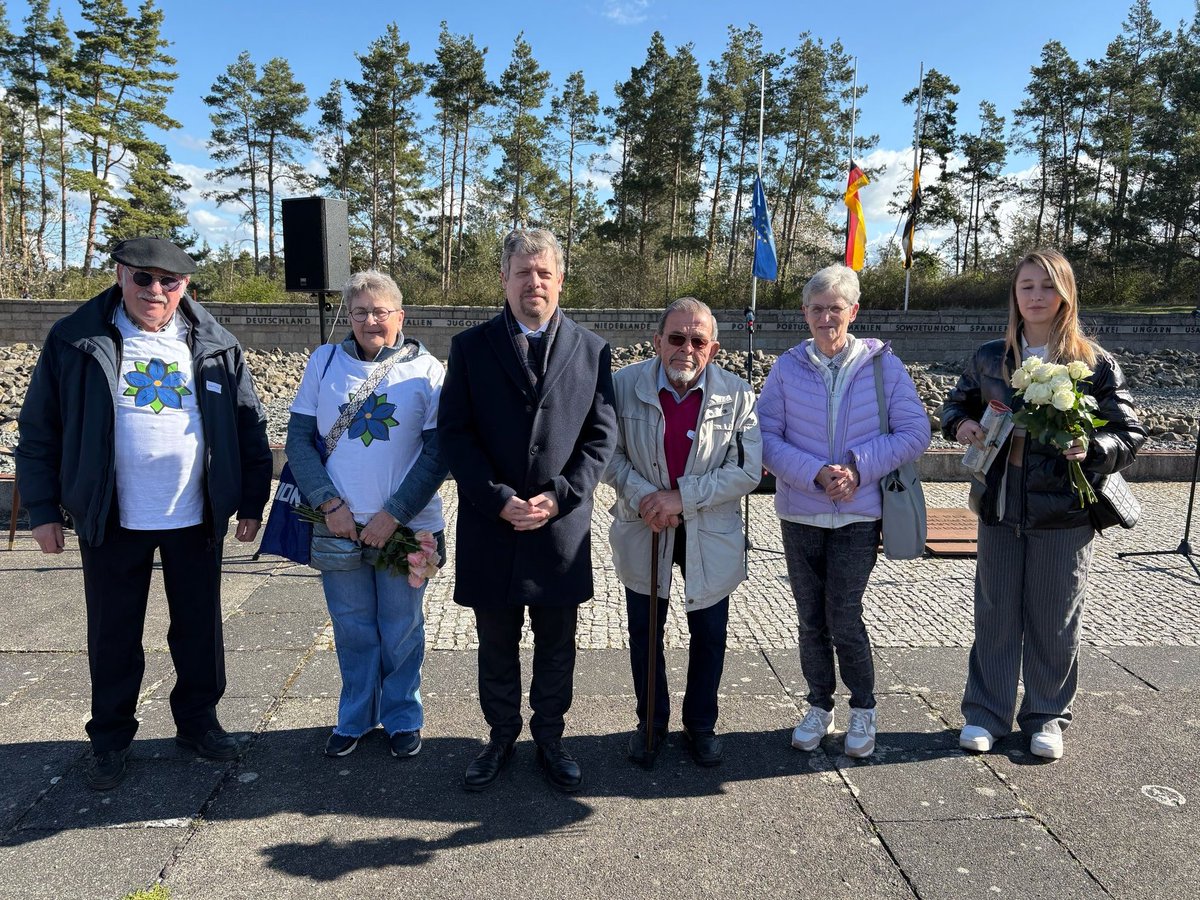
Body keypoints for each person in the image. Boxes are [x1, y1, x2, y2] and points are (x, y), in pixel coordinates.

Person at [16, 237, 272, 790]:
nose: (155, 290)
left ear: (186, 287)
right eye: (143, 278)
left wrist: (250, 501)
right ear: (119, 275)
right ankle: (109, 737)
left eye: (169, 281)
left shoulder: (216, 344)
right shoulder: (74, 341)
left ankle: (198, 723)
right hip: (112, 516)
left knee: (199, 630)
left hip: (194, 515)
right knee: (113, 633)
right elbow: (40, 429)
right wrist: (42, 509)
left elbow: (249, 428)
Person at [941, 249, 1145, 760]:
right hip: (1000, 505)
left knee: (1055, 618)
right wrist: (960, 425)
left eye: (1047, 287)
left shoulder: (1093, 362)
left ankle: (1046, 716)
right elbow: (954, 404)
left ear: (1065, 295)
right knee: (995, 613)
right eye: (1027, 286)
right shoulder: (992, 356)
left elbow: (1129, 432)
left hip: (1064, 514)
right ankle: (985, 714)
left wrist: (1095, 449)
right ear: (1015, 293)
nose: (1036, 296)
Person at [438, 228, 616, 793]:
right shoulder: (470, 346)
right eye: (522, 272)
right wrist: (496, 499)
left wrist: (561, 494)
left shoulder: (592, 349)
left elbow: (600, 436)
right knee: (495, 642)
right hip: (493, 526)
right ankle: (499, 737)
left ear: (560, 280)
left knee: (557, 643)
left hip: (558, 529)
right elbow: (455, 434)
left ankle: (551, 737)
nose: (533, 282)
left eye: (543, 273)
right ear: (504, 278)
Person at [759, 264, 929, 759]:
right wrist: (814, 472)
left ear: (853, 312)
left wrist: (857, 467)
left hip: (859, 514)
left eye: (835, 308)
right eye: (817, 309)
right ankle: (818, 704)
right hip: (801, 511)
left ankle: (864, 708)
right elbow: (766, 438)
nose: (826, 317)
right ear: (804, 314)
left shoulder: (883, 366)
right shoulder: (788, 367)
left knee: (844, 613)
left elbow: (915, 432)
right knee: (810, 617)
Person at [286, 270, 447, 760]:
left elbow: (439, 452)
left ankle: (402, 717)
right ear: (349, 316)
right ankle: (355, 715)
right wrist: (330, 504)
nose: (370, 320)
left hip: (405, 528)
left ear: (401, 315)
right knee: (352, 626)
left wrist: (394, 514)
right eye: (360, 312)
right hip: (337, 526)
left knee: (401, 628)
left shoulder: (428, 370)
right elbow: (298, 441)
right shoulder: (324, 360)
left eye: (381, 311)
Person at [605, 297, 761, 768]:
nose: (685, 349)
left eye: (697, 341)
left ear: (712, 348)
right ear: (657, 341)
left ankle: (701, 725)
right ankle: (650, 724)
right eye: (676, 338)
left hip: (709, 530)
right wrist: (647, 496)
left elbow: (748, 470)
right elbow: (607, 455)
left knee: (709, 633)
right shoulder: (623, 384)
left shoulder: (738, 395)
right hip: (644, 525)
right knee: (644, 632)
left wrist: (682, 497)